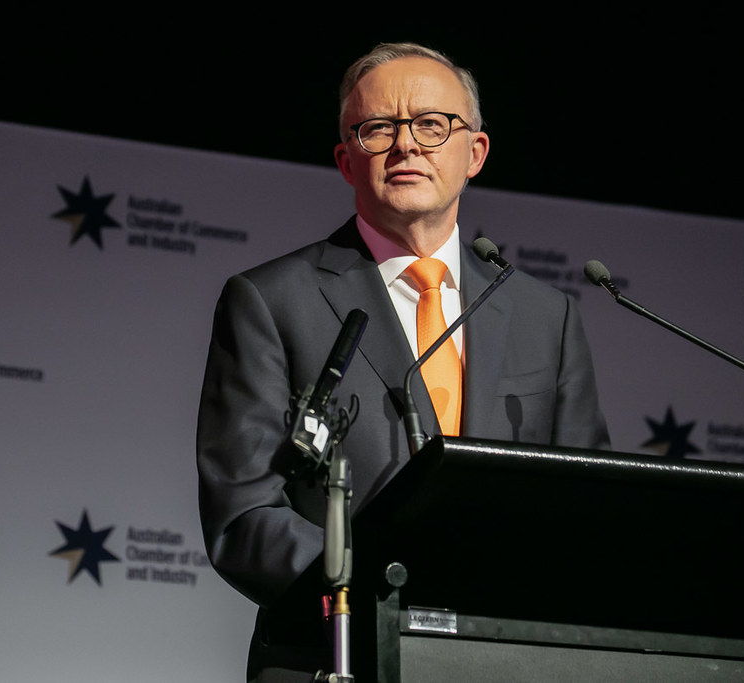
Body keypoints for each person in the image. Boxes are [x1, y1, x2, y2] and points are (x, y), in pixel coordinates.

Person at [197, 42, 610, 682]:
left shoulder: (543, 315)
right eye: (377, 129)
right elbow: (244, 515)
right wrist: (373, 587)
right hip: (331, 655)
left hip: (502, 660)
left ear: (474, 153)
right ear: (345, 160)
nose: (406, 146)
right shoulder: (272, 300)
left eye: (430, 124)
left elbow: (584, 510)